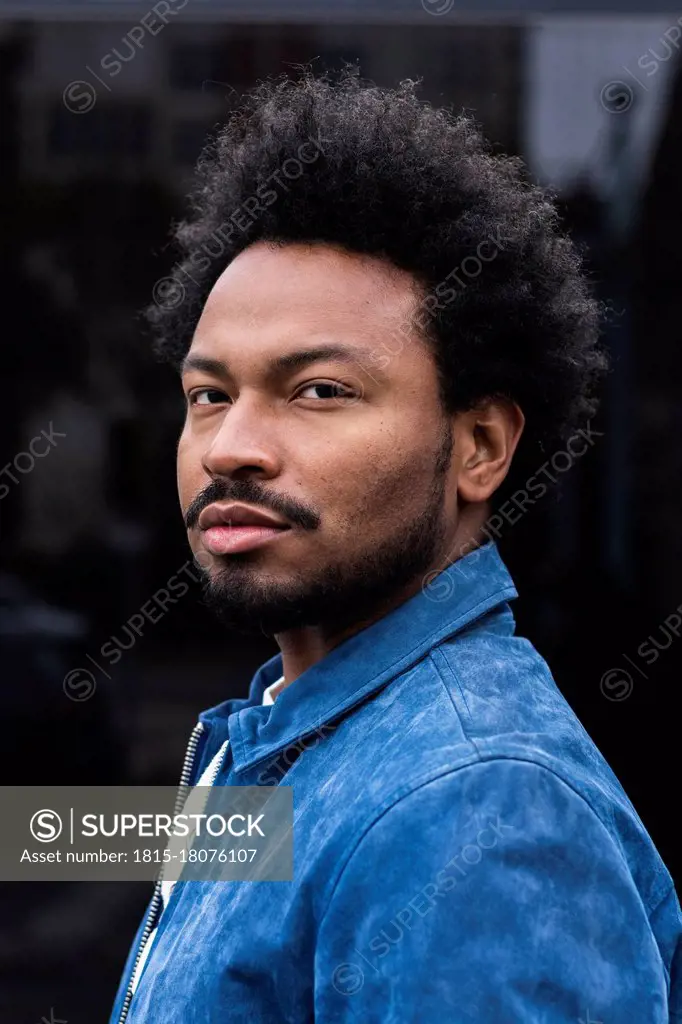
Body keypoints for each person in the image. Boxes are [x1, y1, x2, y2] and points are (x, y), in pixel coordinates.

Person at [110, 72, 681, 1023]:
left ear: (480, 447)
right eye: (209, 394)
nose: (231, 446)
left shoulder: (478, 809)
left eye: (320, 390)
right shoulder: (297, 729)